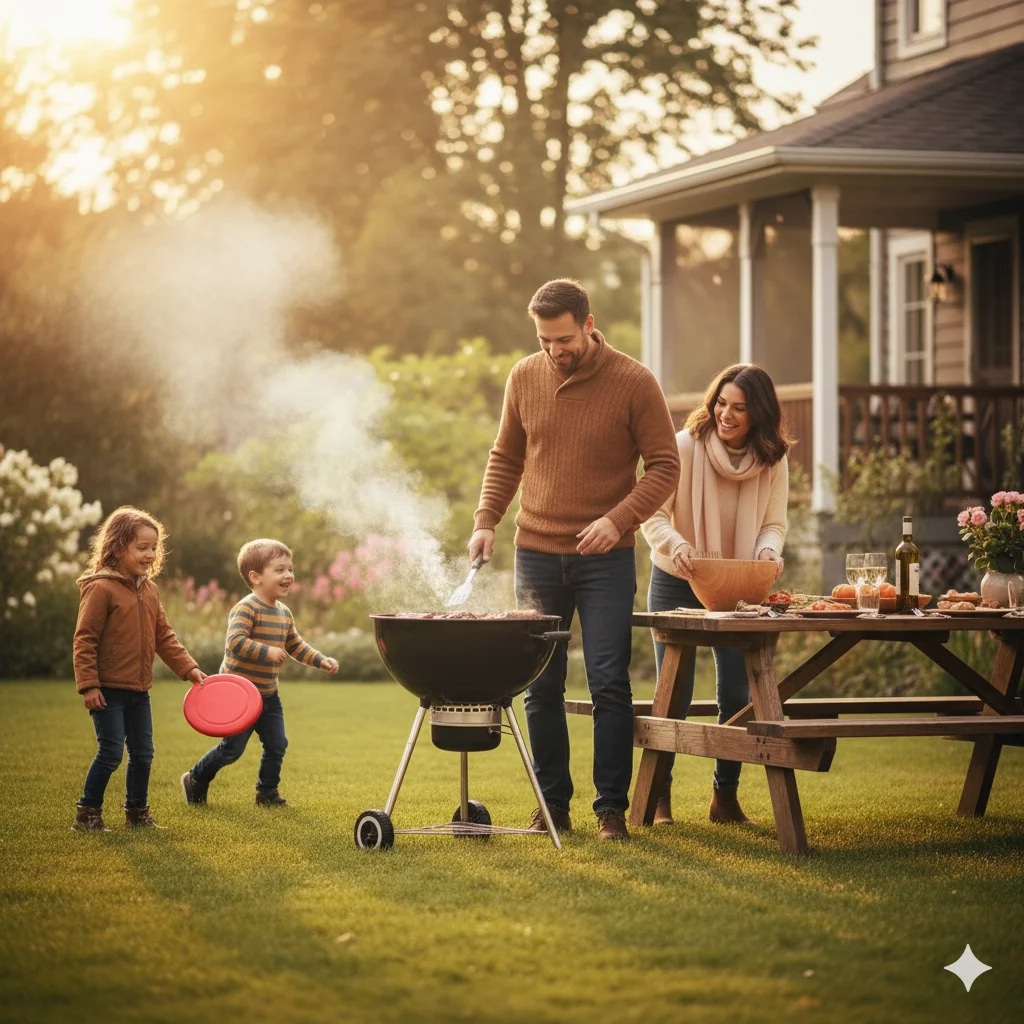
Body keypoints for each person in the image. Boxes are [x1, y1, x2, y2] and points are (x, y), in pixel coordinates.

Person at [467, 278, 680, 840]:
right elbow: (506, 456)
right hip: (535, 551)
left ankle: (610, 808)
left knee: (609, 680)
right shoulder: (524, 376)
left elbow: (664, 466)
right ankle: (551, 804)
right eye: (544, 340)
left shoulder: (634, 382)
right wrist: (486, 520)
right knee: (541, 685)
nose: (554, 351)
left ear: (588, 325)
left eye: (563, 339)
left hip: (605, 559)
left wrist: (617, 520)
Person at [642, 363, 790, 826]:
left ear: (758, 414)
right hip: (676, 575)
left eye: (739, 407)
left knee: (736, 690)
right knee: (676, 691)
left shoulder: (772, 459)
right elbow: (653, 514)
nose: (726, 414)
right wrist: (678, 544)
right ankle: (659, 797)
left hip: (737, 582)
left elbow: (774, 523)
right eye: (721, 403)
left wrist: (767, 551)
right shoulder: (683, 447)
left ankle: (724, 797)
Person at [73, 506, 207, 832]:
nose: (150, 554)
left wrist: (189, 669)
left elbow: (165, 637)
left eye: (153, 548)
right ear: (118, 548)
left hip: (139, 689)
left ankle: (137, 813)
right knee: (110, 753)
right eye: (141, 547)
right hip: (108, 689)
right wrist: (89, 685)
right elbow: (85, 639)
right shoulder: (101, 588)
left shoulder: (149, 590)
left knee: (144, 753)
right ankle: (87, 814)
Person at [180, 538, 338, 808]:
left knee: (278, 744)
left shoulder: (284, 613)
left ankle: (267, 793)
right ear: (255, 577)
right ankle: (195, 778)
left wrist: (320, 660)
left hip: (267, 694)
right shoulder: (246, 608)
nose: (288, 575)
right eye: (279, 570)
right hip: (239, 696)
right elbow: (235, 642)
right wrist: (267, 651)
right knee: (232, 750)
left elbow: (295, 645)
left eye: (290, 569)